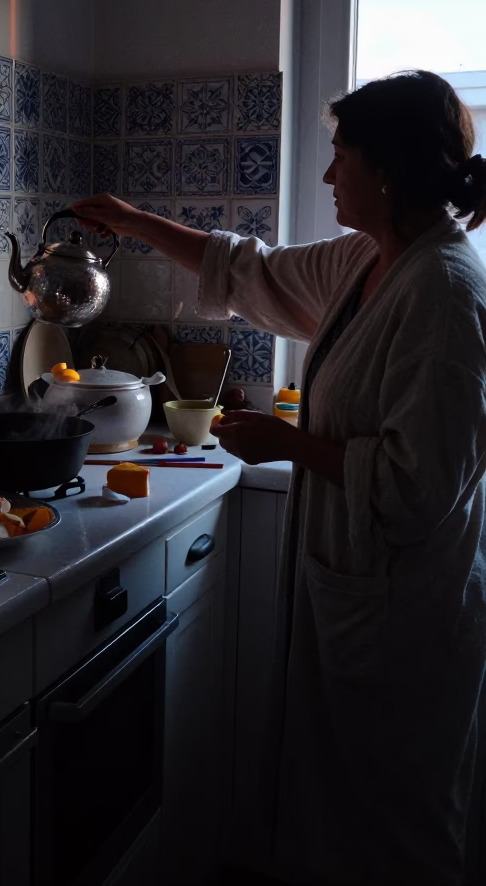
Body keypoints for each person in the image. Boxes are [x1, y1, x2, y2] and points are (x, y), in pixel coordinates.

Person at [72, 70, 486, 886]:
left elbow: (417, 487)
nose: (329, 177)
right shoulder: (374, 258)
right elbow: (251, 270)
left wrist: (289, 444)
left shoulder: (445, 294)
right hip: (358, 594)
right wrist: (130, 221)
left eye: (341, 159)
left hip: (406, 619)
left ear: (389, 170)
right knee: (341, 815)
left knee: (399, 826)